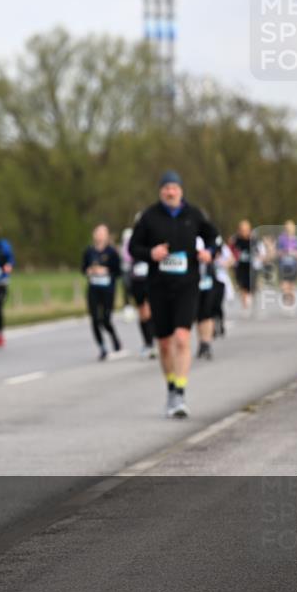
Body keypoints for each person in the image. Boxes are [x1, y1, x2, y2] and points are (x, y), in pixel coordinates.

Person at [128, 170, 219, 419]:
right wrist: (151, 253)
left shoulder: (194, 215)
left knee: (182, 338)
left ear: (181, 190)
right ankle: (170, 386)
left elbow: (214, 237)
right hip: (158, 286)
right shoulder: (149, 217)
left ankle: (180, 392)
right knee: (165, 344)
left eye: (174, 188)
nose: (170, 192)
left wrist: (209, 251)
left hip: (187, 285)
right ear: (161, 191)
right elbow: (133, 247)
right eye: (166, 188)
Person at [81, 224, 122, 360]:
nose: (99, 235)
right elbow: (83, 269)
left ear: (106, 235)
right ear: (94, 235)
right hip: (93, 288)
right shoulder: (89, 251)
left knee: (105, 318)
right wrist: (90, 271)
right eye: (97, 232)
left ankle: (114, 337)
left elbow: (118, 272)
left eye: (102, 233)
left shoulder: (111, 252)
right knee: (94, 319)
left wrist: (106, 271)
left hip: (108, 289)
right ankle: (102, 346)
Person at [121, 223, 156, 359]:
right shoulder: (133, 241)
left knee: (149, 310)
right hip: (137, 280)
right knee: (142, 312)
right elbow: (126, 257)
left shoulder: (154, 240)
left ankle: (152, 342)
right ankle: (147, 343)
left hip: (150, 279)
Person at [194, 235, 223, 360]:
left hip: (208, 280)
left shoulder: (209, 239)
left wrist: (209, 254)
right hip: (193, 282)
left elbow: (218, 251)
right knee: (198, 315)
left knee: (207, 313)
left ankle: (207, 342)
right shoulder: (188, 236)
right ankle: (201, 342)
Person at [276, 220, 297, 309]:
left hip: (293, 266)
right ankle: (287, 299)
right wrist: (284, 252)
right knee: (284, 287)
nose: (288, 230)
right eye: (287, 228)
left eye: (290, 228)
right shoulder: (281, 239)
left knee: (291, 287)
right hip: (283, 266)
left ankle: (291, 304)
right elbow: (277, 253)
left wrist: (295, 253)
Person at [230, 220, 255, 310]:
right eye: (242, 230)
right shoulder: (236, 240)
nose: (244, 232)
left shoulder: (253, 240)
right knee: (242, 285)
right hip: (240, 266)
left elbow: (259, 252)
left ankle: (249, 298)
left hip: (251, 267)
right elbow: (230, 251)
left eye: (246, 230)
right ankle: (245, 304)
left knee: (250, 285)